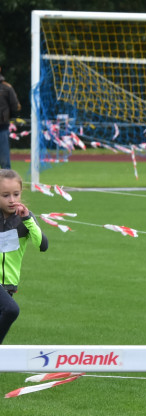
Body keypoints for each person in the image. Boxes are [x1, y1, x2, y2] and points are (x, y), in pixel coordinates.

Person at [0, 169, 48, 342]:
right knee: (12, 310)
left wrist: (28, 219)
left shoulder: (25, 220)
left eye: (16, 194)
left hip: (8, 287)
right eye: (5, 195)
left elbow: (42, 245)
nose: (12, 200)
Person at [0, 69, 20, 170]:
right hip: (3, 126)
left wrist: (7, 117)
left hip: (2, 127)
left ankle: (6, 185)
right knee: (4, 161)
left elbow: (15, 106)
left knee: (5, 162)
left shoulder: (7, 88)